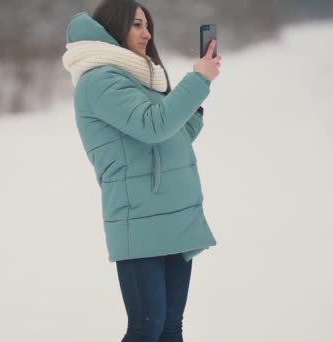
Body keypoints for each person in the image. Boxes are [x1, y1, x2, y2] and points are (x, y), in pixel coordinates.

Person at [62, 0, 221, 341]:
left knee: (168, 327)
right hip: (140, 221)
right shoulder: (100, 80)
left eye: (148, 25)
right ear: (114, 26)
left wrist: (194, 105)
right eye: (137, 24)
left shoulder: (137, 75)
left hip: (172, 217)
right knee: (146, 328)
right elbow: (153, 127)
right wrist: (196, 81)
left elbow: (172, 138)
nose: (147, 33)